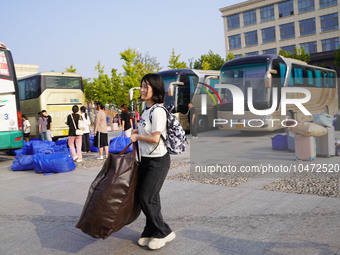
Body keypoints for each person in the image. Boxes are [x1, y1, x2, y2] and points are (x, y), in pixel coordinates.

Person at [130, 73, 175, 250]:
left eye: (145, 87)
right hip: (146, 160)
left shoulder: (158, 111)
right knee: (149, 198)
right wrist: (137, 131)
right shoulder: (146, 110)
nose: (142, 90)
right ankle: (150, 231)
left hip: (158, 161)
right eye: (141, 86)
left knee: (146, 197)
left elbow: (155, 138)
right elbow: (145, 132)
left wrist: (137, 137)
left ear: (154, 90)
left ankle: (163, 232)